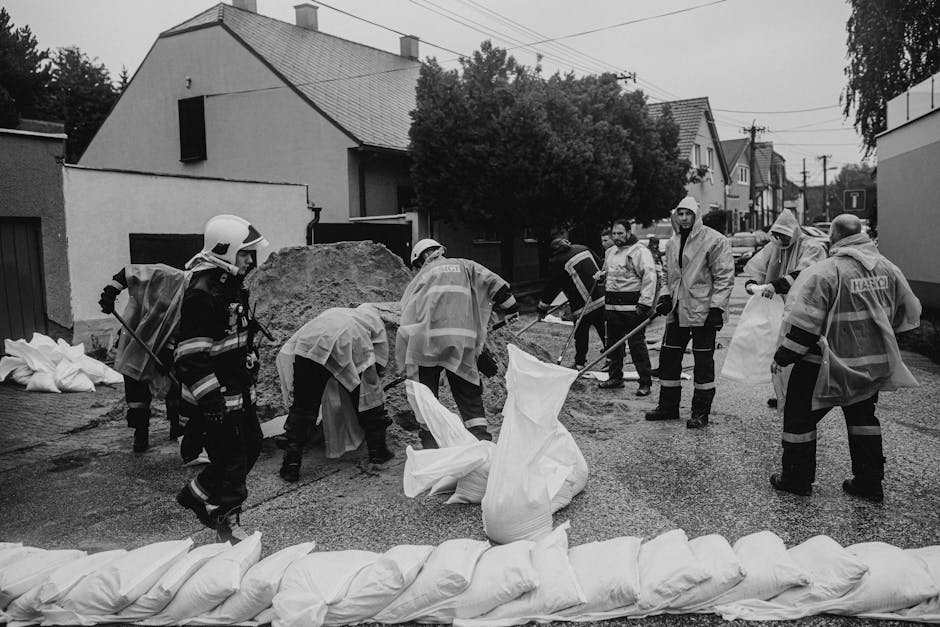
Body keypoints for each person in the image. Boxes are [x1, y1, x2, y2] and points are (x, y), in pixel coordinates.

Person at [768, 214, 921, 502]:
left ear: (834, 237)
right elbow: (907, 313)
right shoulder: (888, 268)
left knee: (799, 417)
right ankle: (869, 482)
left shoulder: (825, 272)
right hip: (870, 364)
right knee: (863, 419)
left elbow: (806, 326)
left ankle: (796, 478)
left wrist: (784, 356)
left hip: (824, 363)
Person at [174, 214, 268, 543]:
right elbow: (190, 356)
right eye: (244, 253)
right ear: (225, 251)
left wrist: (248, 355)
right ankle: (229, 522)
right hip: (218, 398)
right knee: (233, 460)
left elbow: (232, 337)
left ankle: (195, 494)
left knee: (252, 445)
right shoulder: (203, 293)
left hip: (238, 389)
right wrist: (212, 401)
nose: (250, 260)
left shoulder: (230, 285)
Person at [397, 238, 519, 448]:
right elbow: (497, 286)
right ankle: (481, 442)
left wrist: (404, 359)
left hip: (425, 344)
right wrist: (511, 308)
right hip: (461, 343)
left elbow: (406, 316)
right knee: (468, 393)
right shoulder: (466, 266)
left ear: (420, 260)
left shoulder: (420, 278)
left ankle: (431, 446)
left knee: (426, 397)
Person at [275, 305, 394, 481]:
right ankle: (378, 451)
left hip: (308, 345)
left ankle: (291, 462)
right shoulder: (373, 324)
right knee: (368, 397)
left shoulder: (338, 312)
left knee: (304, 406)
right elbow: (376, 363)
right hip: (345, 340)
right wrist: (373, 382)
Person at [645, 196, 734, 428]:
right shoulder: (672, 242)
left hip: (703, 312)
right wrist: (665, 295)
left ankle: (700, 412)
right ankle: (668, 407)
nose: (684, 218)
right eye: (680, 214)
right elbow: (667, 273)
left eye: (688, 214)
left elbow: (724, 277)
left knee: (703, 362)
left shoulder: (715, 240)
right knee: (669, 358)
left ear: (696, 215)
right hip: (677, 310)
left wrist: (717, 308)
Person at [98, 264, 188, 453]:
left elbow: (183, 325)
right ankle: (140, 432)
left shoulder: (190, 295)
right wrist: (111, 292)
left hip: (166, 338)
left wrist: (169, 351)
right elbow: (126, 273)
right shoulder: (165, 275)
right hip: (138, 334)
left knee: (173, 382)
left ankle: (176, 425)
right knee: (135, 382)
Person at [743, 209, 828, 408]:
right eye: (777, 235)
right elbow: (759, 267)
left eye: (784, 236)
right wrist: (753, 283)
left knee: (799, 352)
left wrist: (775, 285)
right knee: (783, 350)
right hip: (782, 309)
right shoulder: (775, 246)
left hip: (805, 310)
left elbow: (805, 275)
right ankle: (783, 393)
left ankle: (797, 394)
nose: (781, 240)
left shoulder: (811, 247)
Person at [594, 219, 657, 395]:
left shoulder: (639, 251)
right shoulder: (610, 252)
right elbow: (610, 273)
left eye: (620, 233)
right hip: (612, 308)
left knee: (637, 346)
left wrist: (644, 304)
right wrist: (602, 277)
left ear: (629, 233)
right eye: (614, 234)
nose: (616, 237)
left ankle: (645, 382)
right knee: (613, 345)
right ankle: (615, 378)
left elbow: (649, 277)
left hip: (633, 309)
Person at [536, 235, 605, 369]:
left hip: (582, 304)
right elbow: (601, 266)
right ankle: (612, 359)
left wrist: (542, 309)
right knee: (604, 330)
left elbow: (552, 287)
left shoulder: (557, 261)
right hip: (601, 297)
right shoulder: (584, 249)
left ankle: (579, 363)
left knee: (580, 333)